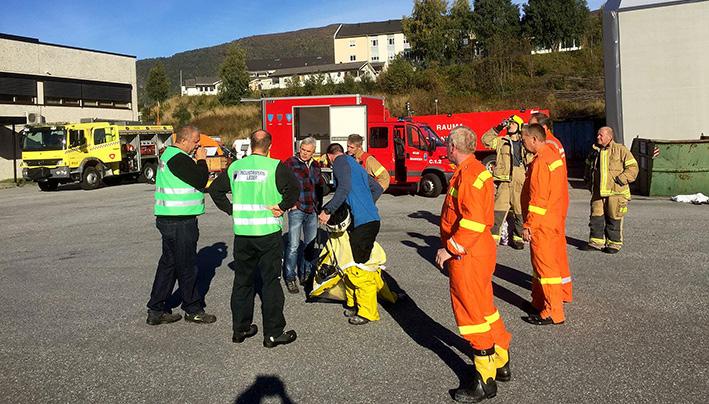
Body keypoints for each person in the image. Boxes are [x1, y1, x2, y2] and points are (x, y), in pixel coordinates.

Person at [436, 126, 512, 403]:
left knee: (470, 314)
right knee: (485, 308)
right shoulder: (477, 170)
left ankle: (484, 380)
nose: (445, 148)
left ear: (453, 147)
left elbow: (472, 220)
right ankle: (501, 360)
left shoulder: (468, 174)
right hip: (481, 252)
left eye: (447, 144)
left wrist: (450, 249)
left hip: (466, 254)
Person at [209, 129, 299, 348]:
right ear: (269, 145)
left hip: (243, 235)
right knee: (270, 283)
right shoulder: (274, 166)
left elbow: (215, 191)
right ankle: (273, 333)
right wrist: (282, 206)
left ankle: (240, 329)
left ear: (250, 144)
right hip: (267, 233)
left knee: (242, 282)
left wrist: (231, 210)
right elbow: (294, 189)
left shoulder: (236, 167)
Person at [147, 125, 217, 325]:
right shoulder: (178, 158)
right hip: (180, 221)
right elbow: (200, 180)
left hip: (169, 218)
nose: (198, 146)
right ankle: (193, 308)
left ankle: (156, 309)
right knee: (187, 266)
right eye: (196, 141)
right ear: (184, 140)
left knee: (168, 264)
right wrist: (202, 160)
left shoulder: (168, 155)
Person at [318, 143, 389, 325]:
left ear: (330, 156)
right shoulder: (355, 164)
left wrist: (328, 211)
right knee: (353, 263)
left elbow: (343, 189)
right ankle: (354, 303)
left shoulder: (340, 162)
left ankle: (367, 312)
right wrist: (366, 204)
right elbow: (377, 188)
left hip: (363, 224)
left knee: (359, 268)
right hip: (371, 221)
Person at [520, 124, 568, 326]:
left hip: (542, 225)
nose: (522, 142)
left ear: (534, 139)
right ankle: (540, 301)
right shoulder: (552, 155)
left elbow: (538, 200)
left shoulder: (541, 163)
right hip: (553, 220)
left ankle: (552, 311)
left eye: (524, 139)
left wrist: (528, 225)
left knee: (545, 269)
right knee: (544, 266)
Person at [529, 112, 572, 303]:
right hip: (555, 208)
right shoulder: (554, 146)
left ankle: (555, 300)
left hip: (547, 213)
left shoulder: (548, 149)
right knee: (554, 254)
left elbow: (540, 193)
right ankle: (556, 294)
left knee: (548, 258)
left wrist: (529, 223)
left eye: (531, 127)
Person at [584, 126, 638, 253]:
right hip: (598, 193)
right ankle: (596, 242)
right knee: (596, 217)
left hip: (616, 193)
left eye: (601, 135)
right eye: (597, 135)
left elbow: (633, 168)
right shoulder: (594, 151)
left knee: (614, 218)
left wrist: (621, 179)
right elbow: (588, 166)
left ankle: (614, 244)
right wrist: (587, 181)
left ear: (609, 136)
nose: (598, 137)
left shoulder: (620, 150)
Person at [282, 137, 325, 294]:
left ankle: (305, 275)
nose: (305, 153)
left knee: (309, 245)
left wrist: (320, 208)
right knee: (293, 246)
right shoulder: (290, 163)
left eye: (309, 151)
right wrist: (289, 203)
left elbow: (319, 186)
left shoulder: (315, 165)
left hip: (312, 209)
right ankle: (290, 277)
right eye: (303, 150)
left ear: (313, 152)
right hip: (297, 209)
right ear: (299, 149)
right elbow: (281, 185)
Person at [481, 115, 528, 250]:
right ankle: (493, 239)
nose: (510, 125)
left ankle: (518, 238)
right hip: (504, 182)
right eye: (509, 123)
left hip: (519, 180)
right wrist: (499, 127)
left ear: (519, 127)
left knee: (519, 211)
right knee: (498, 211)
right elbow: (485, 140)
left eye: (513, 123)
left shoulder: (524, 142)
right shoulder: (501, 141)